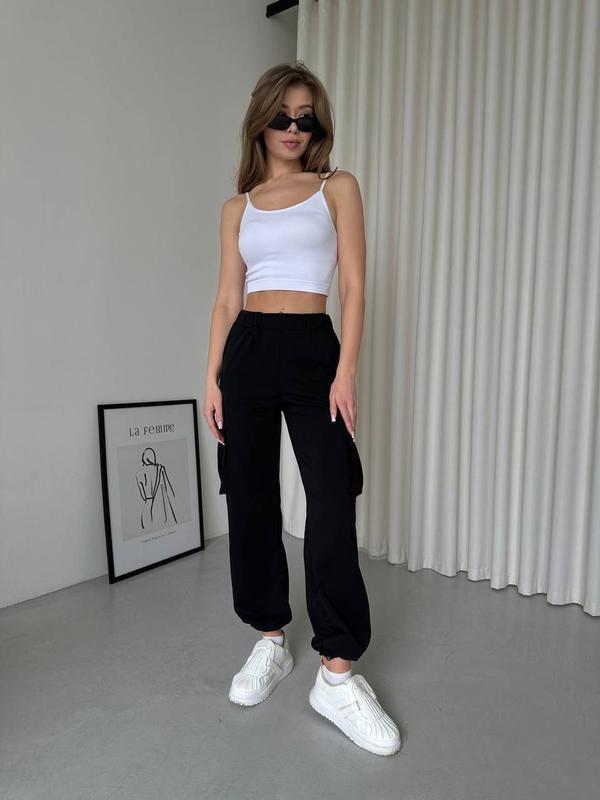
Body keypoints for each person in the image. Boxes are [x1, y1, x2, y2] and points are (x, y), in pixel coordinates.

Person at [203, 62, 401, 757]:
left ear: (318, 126)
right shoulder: (238, 207)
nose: (294, 127)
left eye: (306, 117)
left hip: (315, 347)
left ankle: (337, 673)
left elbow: (354, 287)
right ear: (261, 120)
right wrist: (212, 378)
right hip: (248, 350)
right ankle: (270, 638)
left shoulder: (336, 187)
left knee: (332, 496)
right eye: (282, 116)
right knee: (250, 498)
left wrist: (346, 370)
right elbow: (227, 298)